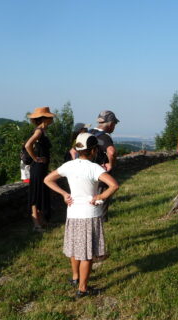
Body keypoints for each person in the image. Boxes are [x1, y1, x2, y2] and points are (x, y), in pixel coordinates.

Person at [44, 133, 119, 298]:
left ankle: (75, 277)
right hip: (89, 214)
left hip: (73, 213)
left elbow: (48, 179)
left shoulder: (69, 165)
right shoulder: (94, 168)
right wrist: (99, 197)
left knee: (76, 248)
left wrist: (64, 194)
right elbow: (114, 185)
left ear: (78, 150)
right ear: (93, 151)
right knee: (87, 254)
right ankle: (83, 289)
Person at [25, 106, 54, 232]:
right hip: (37, 168)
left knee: (40, 193)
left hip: (41, 168)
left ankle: (42, 222)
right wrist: (36, 158)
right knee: (36, 195)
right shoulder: (39, 132)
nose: (52, 118)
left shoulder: (43, 131)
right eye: (49, 116)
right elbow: (28, 145)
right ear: (44, 118)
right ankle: (36, 224)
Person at [89, 111, 119, 222]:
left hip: (88, 173)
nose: (114, 127)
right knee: (101, 200)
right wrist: (111, 164)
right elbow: (111, 152)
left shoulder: (89, 132)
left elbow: (73, 151)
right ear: (111, 124)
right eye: (114, 124)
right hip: (101, 174)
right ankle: (100, 222)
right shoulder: (104, 137)